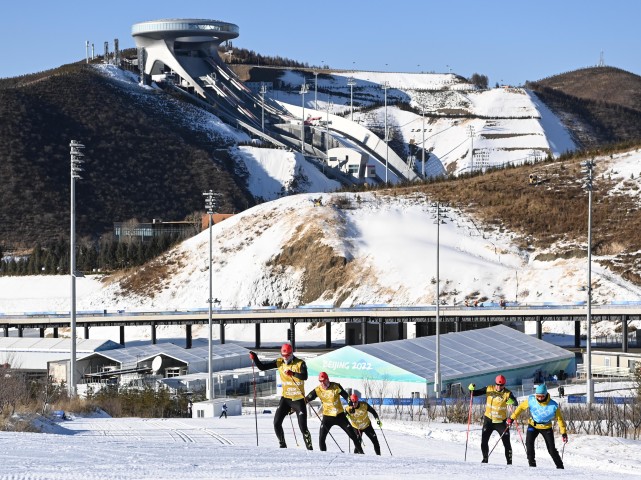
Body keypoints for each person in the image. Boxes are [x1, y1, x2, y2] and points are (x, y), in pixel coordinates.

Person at [249, 344, 313, 450]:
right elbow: (262, 367)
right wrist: (255, 358)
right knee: (276, 423)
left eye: (287, 355)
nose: (285, 358)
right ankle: (282, 445)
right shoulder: (279, 362)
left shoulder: (300, 363)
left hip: (298, 400)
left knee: (303, 427)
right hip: (286, 399)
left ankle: (310, 448)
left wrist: (293, 373)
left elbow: (304, 376)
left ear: (291, 354)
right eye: (284, 355)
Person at [507, 383, 567, 469]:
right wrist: (512, 418)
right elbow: (521, 407)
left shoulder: (553, 405)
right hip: (533, 425)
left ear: (546, 395)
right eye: (538, 396)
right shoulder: (532, 400)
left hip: (546, 427)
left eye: (542, 396)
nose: (539, 398)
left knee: (551, 449)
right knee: (529, 444)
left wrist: (563, 433)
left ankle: (560, 467)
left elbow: (560, 419)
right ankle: (532, 465)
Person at [305, 372, 364, 454]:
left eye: (324, 381)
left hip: (339, 416)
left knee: (353, 436)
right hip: (327, 417)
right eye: (320, 381)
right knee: (321, 438)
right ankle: (324, 455)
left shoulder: (336, 386)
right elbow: (308, 398)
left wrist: (351, 405)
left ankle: (361, 453)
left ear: (327, 379)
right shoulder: (318, 390)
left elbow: (346, 396)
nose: (322, 383)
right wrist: (302, 402)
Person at [468, 374, 518, 465]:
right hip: (489, 420)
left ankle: (509, 463)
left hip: (501, 422)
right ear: (495, 383)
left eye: (501, 385)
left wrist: (512, 401)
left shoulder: (507, 393)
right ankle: (485, 459)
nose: (499, 387)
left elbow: (515, 402)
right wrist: (471, 389)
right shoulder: (489, 388)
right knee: (484, 441)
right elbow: (474, 394)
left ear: (504, 385)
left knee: (507, 443)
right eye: (497, 385)